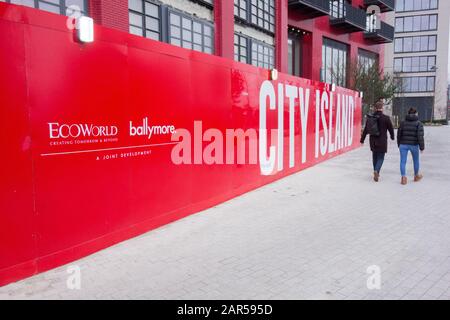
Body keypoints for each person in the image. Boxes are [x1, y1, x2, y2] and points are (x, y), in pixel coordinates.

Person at [360, 101, 395, 182]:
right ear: (382, 108)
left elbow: (365, 130)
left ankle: (376, 171)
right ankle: (376, 170)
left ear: (375, 108)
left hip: (373, 141)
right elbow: (390, 129)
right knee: (381, 157)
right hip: (382, 141)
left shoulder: (370, 118)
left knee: (374, 156)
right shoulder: (386, 118)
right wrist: (392, 136)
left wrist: (362, 140)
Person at [396, 107, 425, 185]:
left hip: (403, 144)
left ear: (408, 113)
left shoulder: (402, 122)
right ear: (416, 113)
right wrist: (422, 147)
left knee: (403, 161)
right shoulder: (419, 123)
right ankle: (416, 176)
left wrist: (399, 143)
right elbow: (420, 136)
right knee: (416, 161)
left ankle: (403, 178)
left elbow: (399, 134)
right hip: (414, 145)